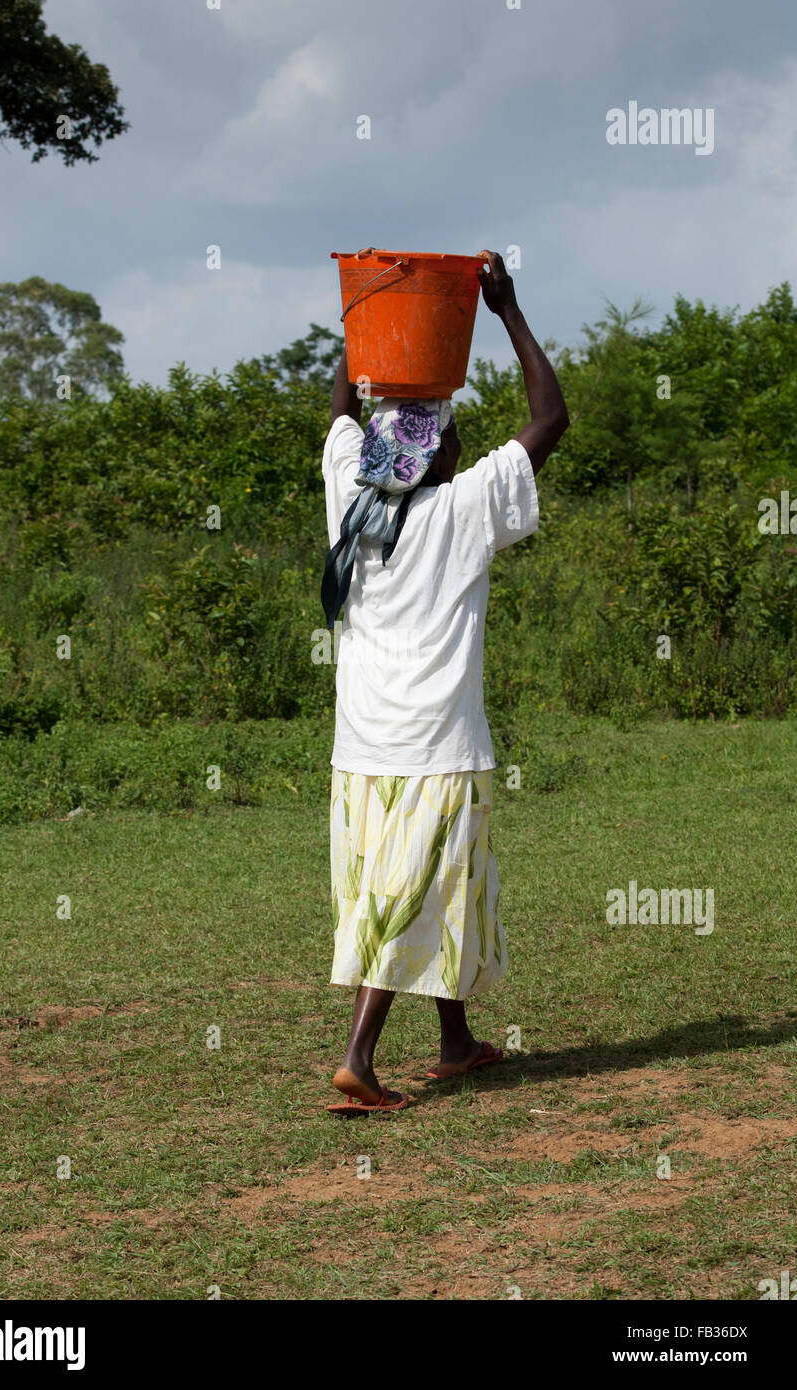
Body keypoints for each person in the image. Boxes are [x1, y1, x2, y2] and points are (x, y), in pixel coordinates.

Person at [321, 249, 569, 1115]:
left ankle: (456, 1042)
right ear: (429, 457)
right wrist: (504, 310)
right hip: (434, 750)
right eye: (450, 431)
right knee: (413, 890)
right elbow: (551, 418)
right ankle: (356, 1057)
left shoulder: (345, 500)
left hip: (362, 752)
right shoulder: (461, 511)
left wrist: (369, 329)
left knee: (442, 881)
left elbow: (344, 413)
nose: (462, 439)